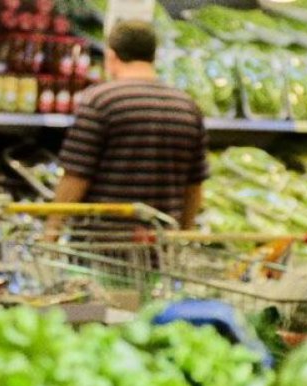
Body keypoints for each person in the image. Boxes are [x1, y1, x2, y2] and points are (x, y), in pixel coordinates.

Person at [45, 20, 208, 239]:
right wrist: (184, 234)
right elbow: (194, 186)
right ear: (153, 56)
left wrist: (52, 232)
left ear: (111, 56)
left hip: (102, 245)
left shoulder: (100, 101)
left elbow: (76, 175)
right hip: (158, 245)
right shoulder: (187, 106)